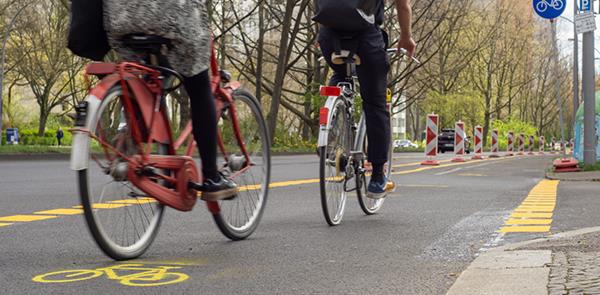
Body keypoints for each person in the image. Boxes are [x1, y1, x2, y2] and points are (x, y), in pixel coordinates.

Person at [103, 0, 238, 201]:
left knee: (155, 72)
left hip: (119, 19)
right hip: (169, 13)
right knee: (199, 85)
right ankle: (212, 178)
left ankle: (133, 138)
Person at [317, 0, 416, 199]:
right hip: (366, 38)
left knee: (340, 74)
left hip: (330, 37)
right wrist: (406, 37)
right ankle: (378, 178)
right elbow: (403, 5)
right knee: (375, 103)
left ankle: (332, 130)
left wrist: (321, 33)